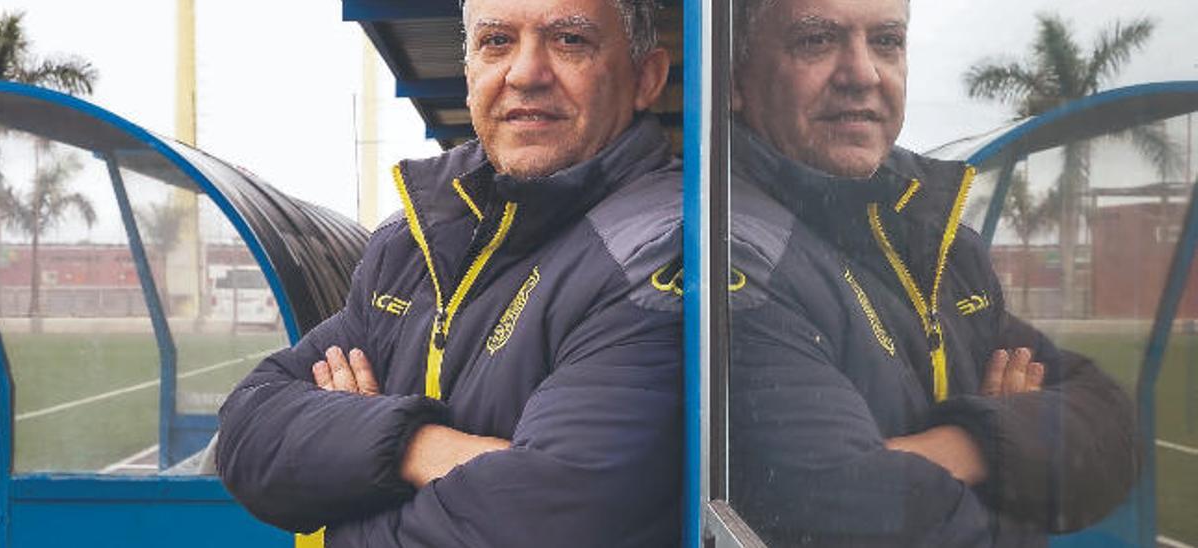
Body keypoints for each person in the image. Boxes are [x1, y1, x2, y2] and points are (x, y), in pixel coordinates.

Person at [214, 0, 682, 546]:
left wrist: (345, 485)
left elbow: (540, 526)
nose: (525, 73)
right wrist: (415, 448)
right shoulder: (410, 245)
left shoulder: (661, 253)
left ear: (647, 78)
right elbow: (247, 431)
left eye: (569, 40)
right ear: (470, 75)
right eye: (497, 41)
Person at [726, 0, 1140, 545]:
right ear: (734, 81)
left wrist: (967, 444)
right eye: (816, 40)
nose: (863, 73)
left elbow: (1115, 428)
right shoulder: (729, 253)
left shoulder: (936, 243)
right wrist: (1021, 473)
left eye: (886, 41)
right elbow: (853, 522)